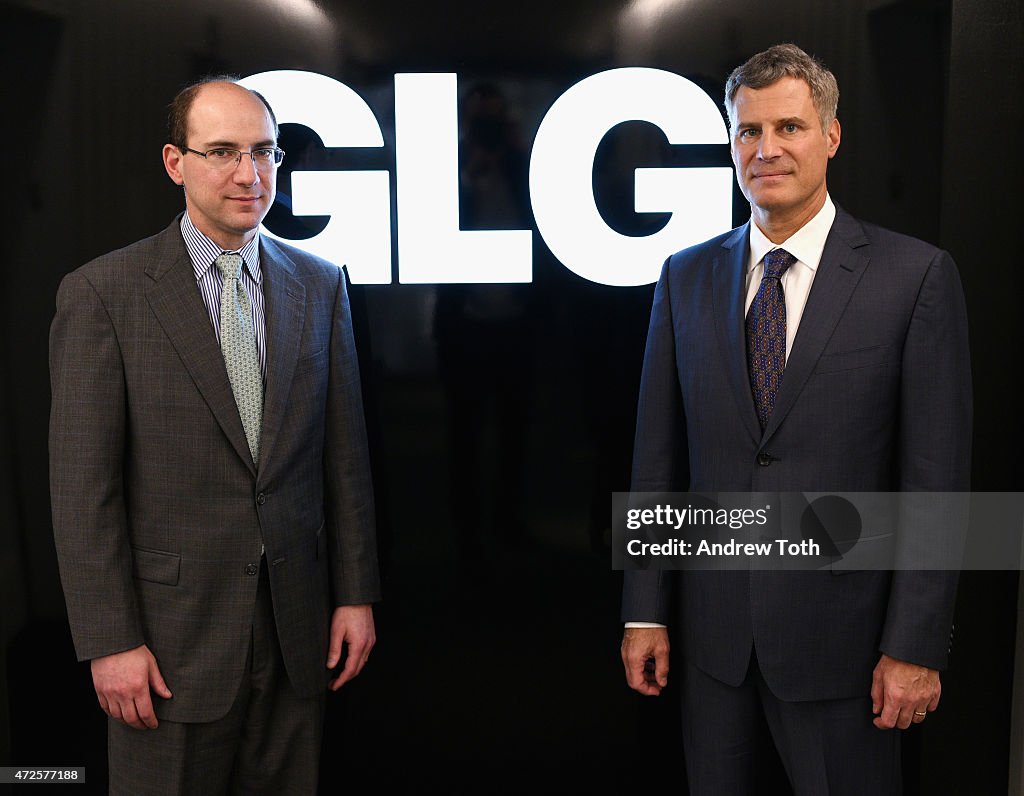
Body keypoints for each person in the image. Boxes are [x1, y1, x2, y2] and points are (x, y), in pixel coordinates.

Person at [619, 44, 971, 795]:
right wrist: (643, 611)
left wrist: (915, 646)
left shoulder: (915, 278)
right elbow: (657, 461)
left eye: (789, 127)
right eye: (748, 131)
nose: (766, 149)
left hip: (850, 656)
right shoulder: (684, 276)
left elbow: (937, 483)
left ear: (832, 136)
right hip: (714, 651)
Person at [49, 77, 380, 795]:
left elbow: (344, 461)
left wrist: (355, 593)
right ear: (176, 163)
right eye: (222, 152)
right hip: (168, 646)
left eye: (264, 153)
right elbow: (84, 490)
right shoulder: (104, 294)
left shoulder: (321, 284)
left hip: (297, 633)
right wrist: (110, 641)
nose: (247, 174)